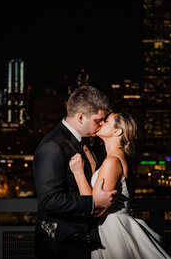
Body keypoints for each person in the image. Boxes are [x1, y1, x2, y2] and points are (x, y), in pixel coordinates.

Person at [69, 112, 171, 259]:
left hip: (112, 231)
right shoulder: (119, 158)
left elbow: (93, 208)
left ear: (117, 131)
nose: (101, 122)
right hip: (116, 225)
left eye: (107, 121)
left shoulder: (112, 161)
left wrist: (78, 173)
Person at [33, 85, 118, 259]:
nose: (102, 124)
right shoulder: (52, 146)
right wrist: (92, 203)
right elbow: (50, 200)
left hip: (83, 241)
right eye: (97, 120)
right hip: (61, 244)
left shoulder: (85, 142)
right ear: (80, 117)